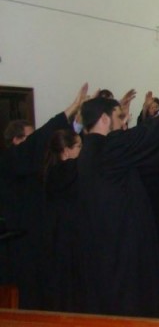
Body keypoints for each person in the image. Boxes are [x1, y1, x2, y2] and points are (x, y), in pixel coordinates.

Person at [75, 83, 159, 317]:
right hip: (122, 242)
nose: (123, 119)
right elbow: (147, 134)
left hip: (108, 240)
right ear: (105, 119)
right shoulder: (108, 147)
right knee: (130, 297)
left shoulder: (90, 149)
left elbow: (144, 135)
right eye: (119, 116)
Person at [0, 84, 86, 309]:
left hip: (38, 238)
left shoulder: (28, 166)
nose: (37, 145)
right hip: (20, 244)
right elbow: (42, 139)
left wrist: (76, 122)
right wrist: (70, 110)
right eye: (29, 138)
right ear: (17, 141)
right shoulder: (9, 162)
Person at [40, 129, 82, 311]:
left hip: (62, 233)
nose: (82, 150)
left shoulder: (53, 170)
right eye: (79, 146)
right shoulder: (64, 171)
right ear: (66, 150)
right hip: (66, 234)